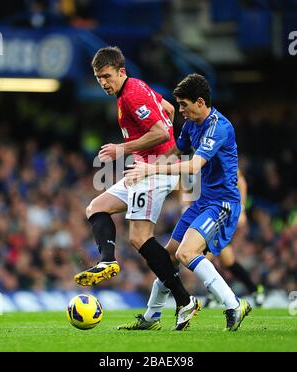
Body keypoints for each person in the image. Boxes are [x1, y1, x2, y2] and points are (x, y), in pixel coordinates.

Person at [74, 46, 199, 330]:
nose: (103, 83)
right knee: (96, 208)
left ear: (121, 71)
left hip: (154, 169)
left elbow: (160, 131)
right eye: (98, 78)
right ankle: (107, 261)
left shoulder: (132, 94)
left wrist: (123, 148)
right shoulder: (132, 90)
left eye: (107, 76)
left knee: (141, 238)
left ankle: (184, 301)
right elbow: (166, 110)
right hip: (144, 168)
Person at [122, 73, 252, 331]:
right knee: (169, 256)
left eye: (184, 105)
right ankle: (152, 317)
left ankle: (234, 304)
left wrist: (150, 171)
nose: (180, 110)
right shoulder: (192, 124)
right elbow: (176, 151)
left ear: (200, 102)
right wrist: (148, 162)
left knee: (186, 253)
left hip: (223, 204)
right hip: (204, 201)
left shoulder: (219, 127)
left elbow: (193, 166)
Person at [203, 170, 266, 308]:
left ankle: (214, 293)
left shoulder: (215, 152)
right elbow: (188, 187)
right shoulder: (190, 159)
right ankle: (254, 289)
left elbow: (241, 181)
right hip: (207, 212)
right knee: (228, 260)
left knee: (203, 257)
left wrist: (242, 210)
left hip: (222, 213)